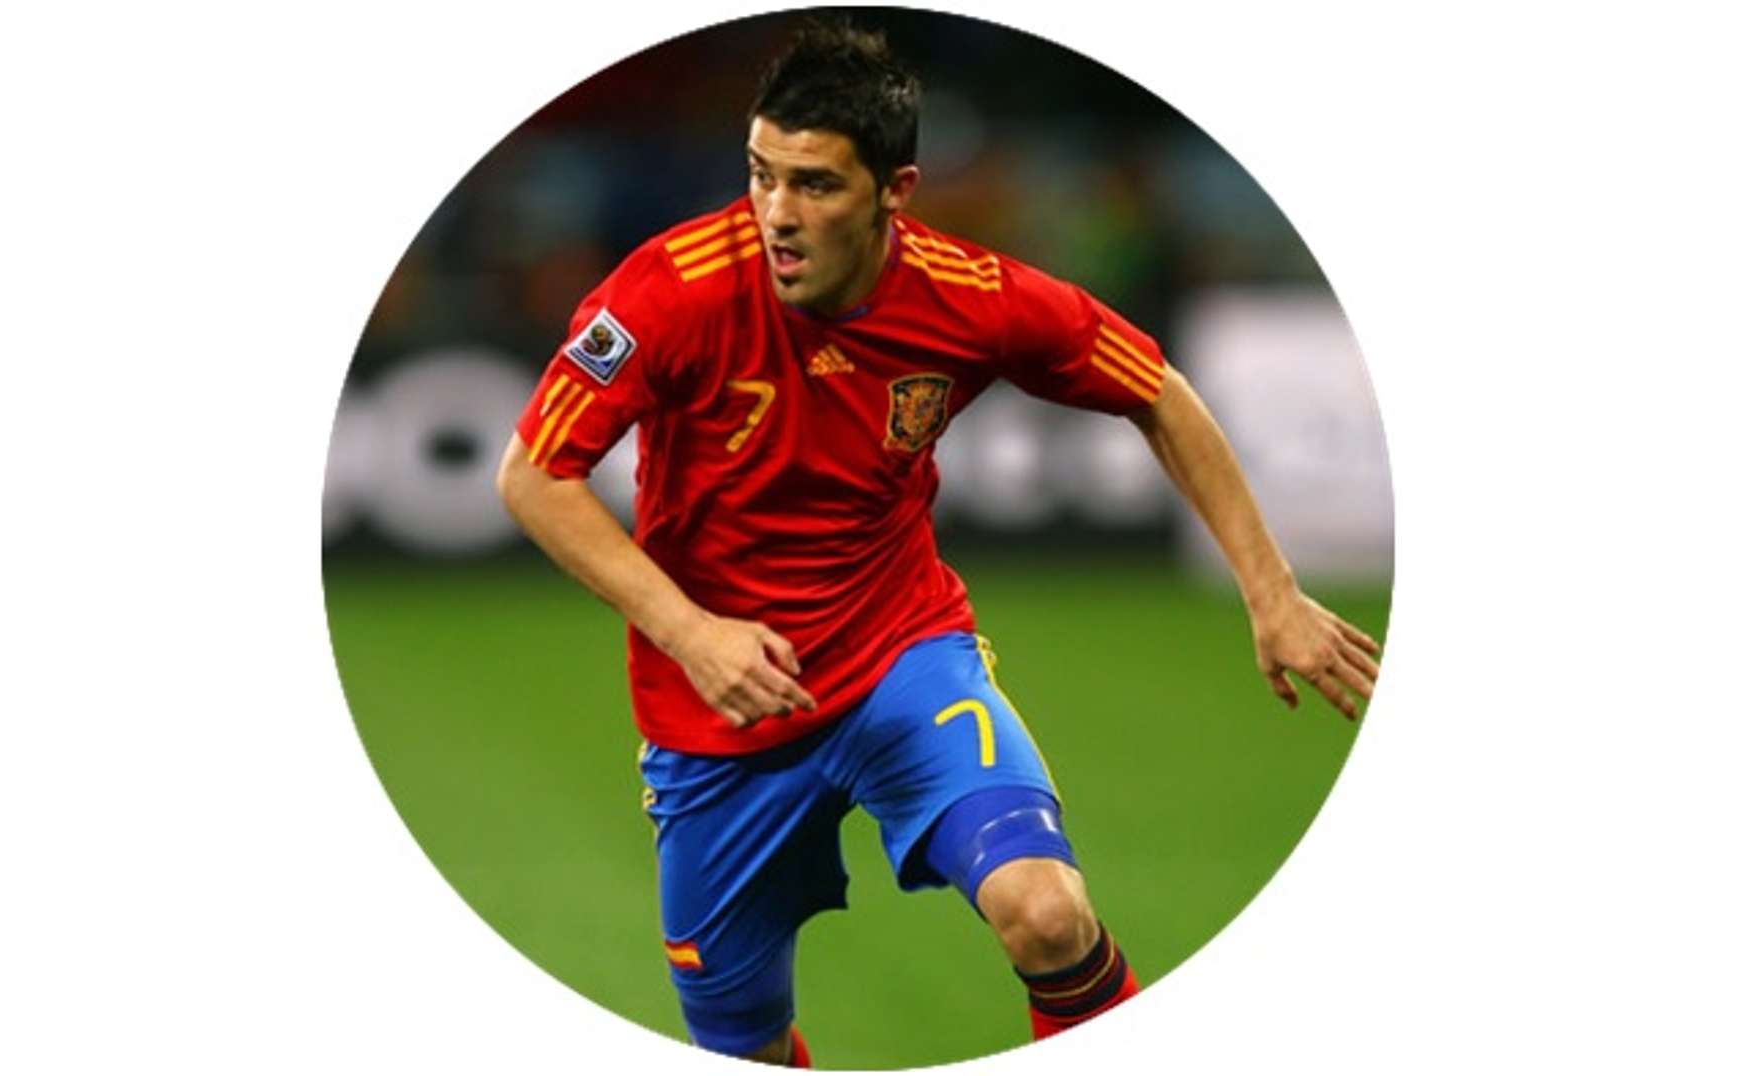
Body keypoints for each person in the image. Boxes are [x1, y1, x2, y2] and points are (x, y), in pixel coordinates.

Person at [496, 20, 1380, 1067]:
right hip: (719, 712)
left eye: (816, 185)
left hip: (899, 661)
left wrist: (1271, 593)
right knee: (740, 1041)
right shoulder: (669, 290)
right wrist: (692, 633)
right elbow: (531, 474)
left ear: (895, 191)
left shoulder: (971, 298)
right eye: (761, 174)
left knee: (1048, 913)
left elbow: (1157, 390)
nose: (777, 213)